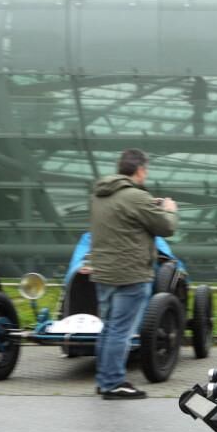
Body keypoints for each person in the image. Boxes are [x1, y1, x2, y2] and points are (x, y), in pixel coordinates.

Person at [88, 148, 178, 399]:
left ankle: (104, 379)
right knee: (121, 330)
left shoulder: (100, 194)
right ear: (140, 170)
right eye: (145, 170)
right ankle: (114, 383)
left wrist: (151, 205)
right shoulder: (136, 196)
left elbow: (126, 218)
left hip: (103, 272)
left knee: (108, 328)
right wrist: (168, 208)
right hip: (131, 274)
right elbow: (166, 227)